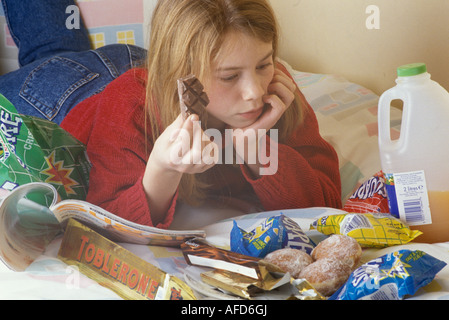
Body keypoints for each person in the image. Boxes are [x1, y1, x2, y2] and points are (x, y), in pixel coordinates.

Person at [0, 0, 342, 229]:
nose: (255, 91)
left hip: (139, 59)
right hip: (64, 92)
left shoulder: (276, 92)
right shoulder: (130, 106)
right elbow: (105, 221)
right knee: (50, 52)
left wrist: (257, 147)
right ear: (185, 74)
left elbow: (326, 205)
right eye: (229, 76)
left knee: (54, 43)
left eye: (264, 63)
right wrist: (161, 170)